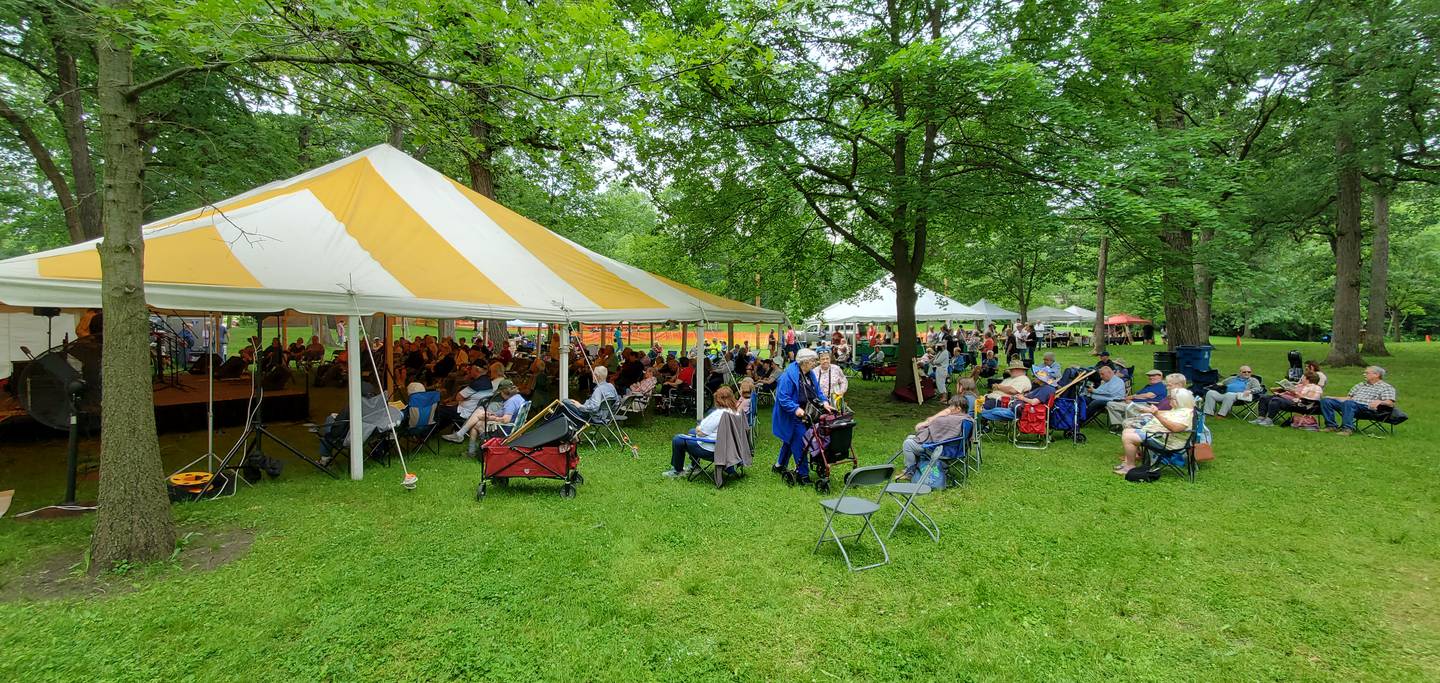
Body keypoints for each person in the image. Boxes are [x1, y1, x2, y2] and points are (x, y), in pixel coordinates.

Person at [772, 348, 832, 483]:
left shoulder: (809, 373)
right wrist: (796, 409)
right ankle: (802, 474)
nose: (815, 363)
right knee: (799, 441)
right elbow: (783, 398)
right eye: (812, 361)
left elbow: (817, 391)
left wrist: (825, 402)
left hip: (807, 413)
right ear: (804, 362)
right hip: (792, 415)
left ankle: (779, 465)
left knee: (790, 439)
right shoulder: (788, 376)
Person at [1115, 374, 1194, 475]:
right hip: (1161, 435)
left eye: (1172, 399)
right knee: (1127, 430)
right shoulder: (1180, 409)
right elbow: (1167, 413)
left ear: (1180, 401)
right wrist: (1151, 411)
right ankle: (1129, 463)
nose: (1170, 400)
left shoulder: (1185, 413)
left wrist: (1156, 414)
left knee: (1128, 437)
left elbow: (1175, 428)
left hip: (1168, 441)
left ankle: (1129, 466)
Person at [664, 386, 745, 477]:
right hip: (728, 450)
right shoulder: (736, 413)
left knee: (677, 439)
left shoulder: (719, 414)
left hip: (712, 450)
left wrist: (699, 428)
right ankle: (695, 466)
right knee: (691, 431)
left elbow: (701, 432)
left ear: (718, 400)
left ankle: (677, 470)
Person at [896, 394, 973, 482]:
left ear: (958, 409)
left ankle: (910, 472)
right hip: (955, 448)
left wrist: (929, 423)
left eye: (951, 406)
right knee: (911, 437)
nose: (949, 408)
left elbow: (933, 431)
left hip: (941, 449)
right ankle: (917, 468)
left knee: (908, 443)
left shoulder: (950, 420)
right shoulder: (967, 418)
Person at [1319, 365, 1397, 436]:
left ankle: (1347, 429)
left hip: (1367, 409)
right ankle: (1331, 426)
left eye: (1367, 373)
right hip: (1350, 405)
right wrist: (1332, 397)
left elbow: (1390, 403)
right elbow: (1348, 398)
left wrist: (1380, 402)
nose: (1364, 374)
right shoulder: (1360, 385)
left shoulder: (1386, 387)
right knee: (1326, 401)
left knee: (1349, 403)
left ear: (1376, 375)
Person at [980, 368, 1056, 422]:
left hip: (1024, 412)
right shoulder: (1042, 387)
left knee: (994, 412)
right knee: (995, 410)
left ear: (1041, 379)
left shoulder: (1046, 389)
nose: (1034, 377)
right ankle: (978, 416)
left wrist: (1022, 398)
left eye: (1036, 376)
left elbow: (1034, 402)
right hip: (1019, 408)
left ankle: (978, 417)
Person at [1253, 371, 1323, 427]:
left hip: (1299, 404)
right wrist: (1281, 389)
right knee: (1264, 398)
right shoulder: (1300, 385)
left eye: (1303, 377)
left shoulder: (1315, 387)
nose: (1301, 378)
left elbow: (1309, 399)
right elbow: (1274, 391)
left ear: (1307, 379)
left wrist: (1294, 392)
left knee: (1276, 400)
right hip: (1286, 399)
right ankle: (1260, 418)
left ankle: (1269, 421)